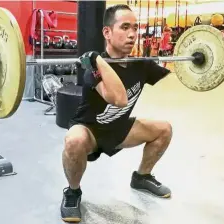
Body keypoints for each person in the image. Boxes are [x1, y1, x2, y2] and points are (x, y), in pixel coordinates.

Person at [60, 4, 173, 223]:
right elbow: (119, 99)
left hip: (120, 128)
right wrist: (99, 62)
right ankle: (73, 192)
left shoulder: (141, 65)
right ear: (107, 33)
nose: (132, 34)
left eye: (135, 28)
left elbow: (189, 73)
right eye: (125, 27)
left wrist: (199, 60)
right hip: (90, 130)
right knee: (73, 140)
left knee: (164, 130)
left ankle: (142, 177)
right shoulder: (90, 65)